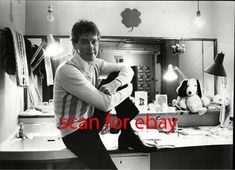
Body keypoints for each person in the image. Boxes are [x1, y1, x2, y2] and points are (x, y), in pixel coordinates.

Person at [53, 20, 156, 169]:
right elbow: (106, 104)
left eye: (94, 42)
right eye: (84, 42)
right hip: (74, 133)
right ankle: (128, 136)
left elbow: (128, 69)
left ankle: (127, 134)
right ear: (75, 45)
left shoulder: (95, 64)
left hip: (90, 123)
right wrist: (128, 90)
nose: (91, 47)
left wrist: (115, 84)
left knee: (117, 76)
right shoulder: (68, 70)